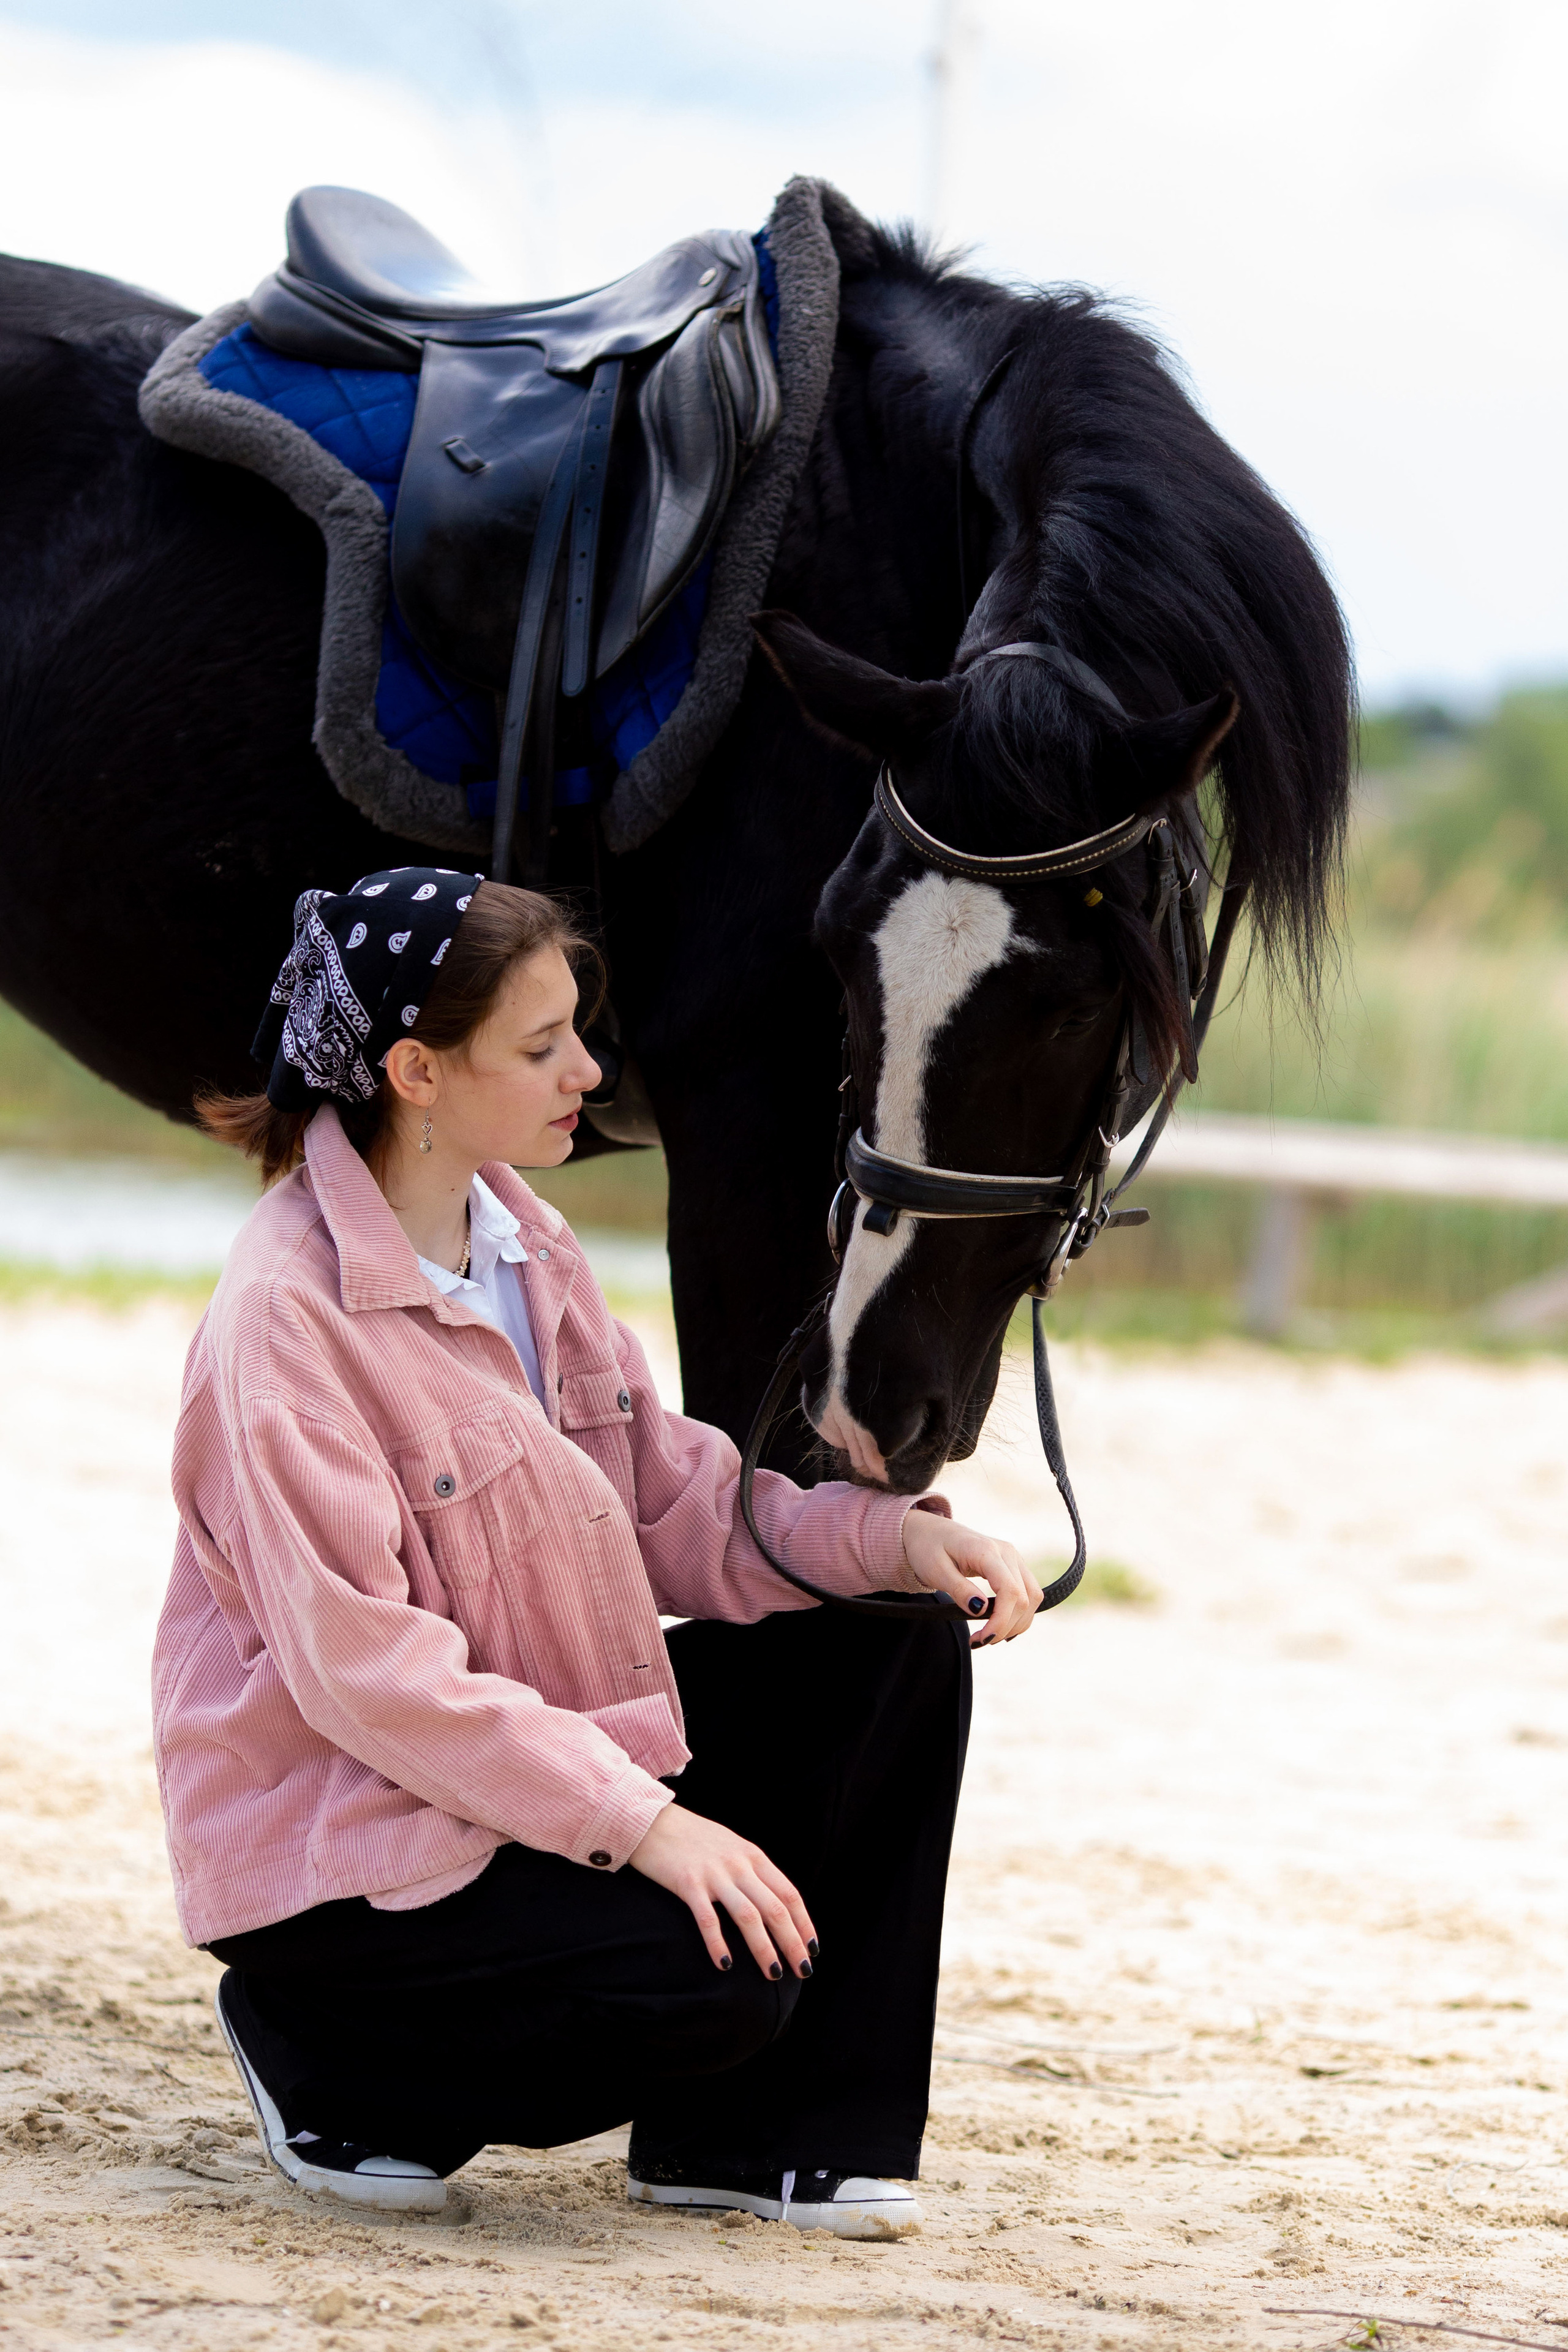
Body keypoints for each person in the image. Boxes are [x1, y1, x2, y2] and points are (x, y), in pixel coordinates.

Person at [155, 867, 1039, 2237]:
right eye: (541, 1045)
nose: (588, 1068)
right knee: (714, 1983)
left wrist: (892, 1545)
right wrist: (646, 1827)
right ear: (416, 1072)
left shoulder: (524, 1244)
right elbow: (370, 1678)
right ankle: (328, 2059)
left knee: (890, 1643)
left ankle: (758, 2146)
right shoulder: (284, 1320)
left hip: (518, 1780)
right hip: (354, 1855)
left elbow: (669, 1502)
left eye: (579, 1027)